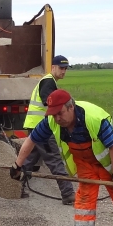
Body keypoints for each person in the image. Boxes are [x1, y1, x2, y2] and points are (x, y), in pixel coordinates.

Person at [12, 90, 113, 226]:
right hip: (85, 164)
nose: (57, 118)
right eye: (54, 114)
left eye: (60, 113)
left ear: (71, 107)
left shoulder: (94, 119)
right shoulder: (52, 121)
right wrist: (17, 165)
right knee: (84, 201)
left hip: (110, 162)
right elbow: (31, 141)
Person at [22, 55, 76, 205]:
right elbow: (50, 103)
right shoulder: (48, 82)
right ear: (53, 67)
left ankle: (14, 187)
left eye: (65, 68)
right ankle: (67, 194)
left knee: (28, 160)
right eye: (61, 68)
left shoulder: (48, 81)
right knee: (54, 159)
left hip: (35, 125)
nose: (64, 71)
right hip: (42, 128)